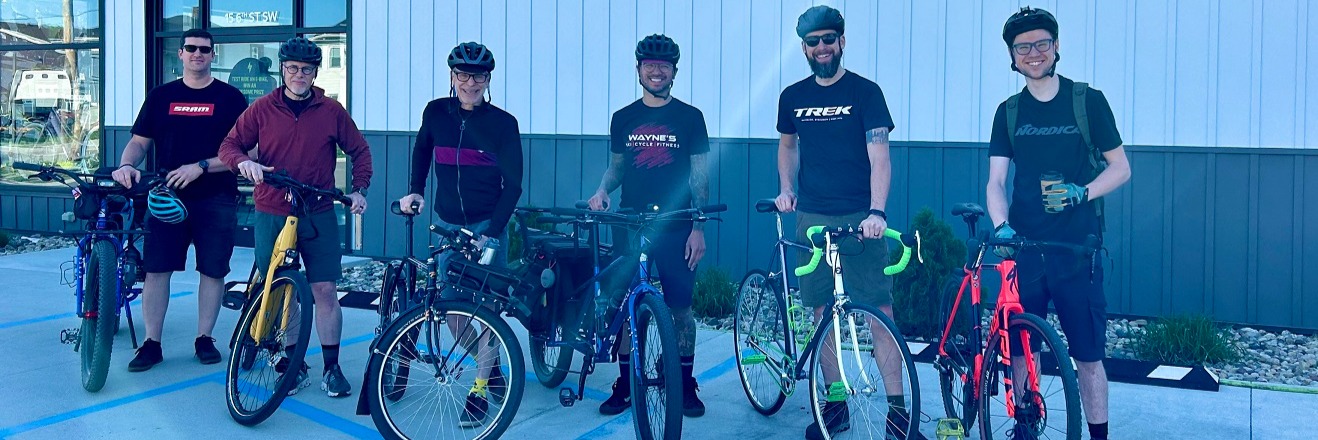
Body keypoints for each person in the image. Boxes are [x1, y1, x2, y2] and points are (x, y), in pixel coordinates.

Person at [774, 6, 926, 440]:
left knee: (880, 312)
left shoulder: (866, 92)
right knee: (822, 314)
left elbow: (880, 156)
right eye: (813, 41)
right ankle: (836, 405)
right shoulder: (792, 96)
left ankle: (898, 414)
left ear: (841, 42)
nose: (821, 47)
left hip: (862, 217)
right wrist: (786, 188)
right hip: (813, 216)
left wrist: (877, 211)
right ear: (804, 48)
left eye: (829, 39)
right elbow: (788, 146)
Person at [987, 7, 1131, 440]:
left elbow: (1120, 168)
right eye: (1023, 47)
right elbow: (996, 181)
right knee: (1021, 348)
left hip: (1076, 250)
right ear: (1013, 56)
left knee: (1087, 355)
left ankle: (1098, 435)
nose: (1033, 53)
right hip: (1026, 249)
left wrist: (1081, 192)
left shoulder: (1087, 101)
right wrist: (1002, 227)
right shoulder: (1009, 112)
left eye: (1041, 44)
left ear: (1056, 47)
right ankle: (1026, 426)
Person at [218, 35, 373, 398]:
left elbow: (360, 150)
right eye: (292, 68)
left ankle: (331, 368)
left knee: (325, 289)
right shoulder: (263, 108)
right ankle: (292, 362)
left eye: (306, 69)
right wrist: (244, 163)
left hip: (317, 210)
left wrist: (358, 190)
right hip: (272, 208)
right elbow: (229, 145)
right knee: (280, 285)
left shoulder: (331, 110)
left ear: (315, 73)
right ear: (282, 70)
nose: (298, 75)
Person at [398, 41, 523, 428]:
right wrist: (415, 190)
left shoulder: (503, 124)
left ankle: (480, 390)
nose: (471, 83)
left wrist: (493, 233)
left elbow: (514, 185)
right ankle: (492, 366)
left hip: (487, 227)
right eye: (463, 75)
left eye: (479, 76)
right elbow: (422, 151)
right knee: (454, 314)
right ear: (452, 77)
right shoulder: (436, 113)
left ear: (488, 79)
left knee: (487, 312)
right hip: (449, 226)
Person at [587, 34, 711, 419]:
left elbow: (699, 178)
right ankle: (626, 384)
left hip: (677, 225)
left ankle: (685, 383)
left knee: (681, 309)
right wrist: (602, 190)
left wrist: (699, 226)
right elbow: (616, 168)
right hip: (631, 223)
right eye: (650, 65)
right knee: (628, 305)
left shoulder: (691, 117)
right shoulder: (623, 117)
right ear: (638, 69)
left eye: (664, 65)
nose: (656, 71)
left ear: (675, 70)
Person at [112, 29, 248, 373]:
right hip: (166, 199)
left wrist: (200, 166)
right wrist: (126, 165)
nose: (197, 54)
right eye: (191, 48)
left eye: (204, 49)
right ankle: (151, 344)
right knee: (156, 270)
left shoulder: (231, 98)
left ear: (213, 55)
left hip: (216, 198)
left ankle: (204, 339)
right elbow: (139, 142)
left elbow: (246, 152)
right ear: (181, 53)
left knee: (213, 271)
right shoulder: (162, 96)